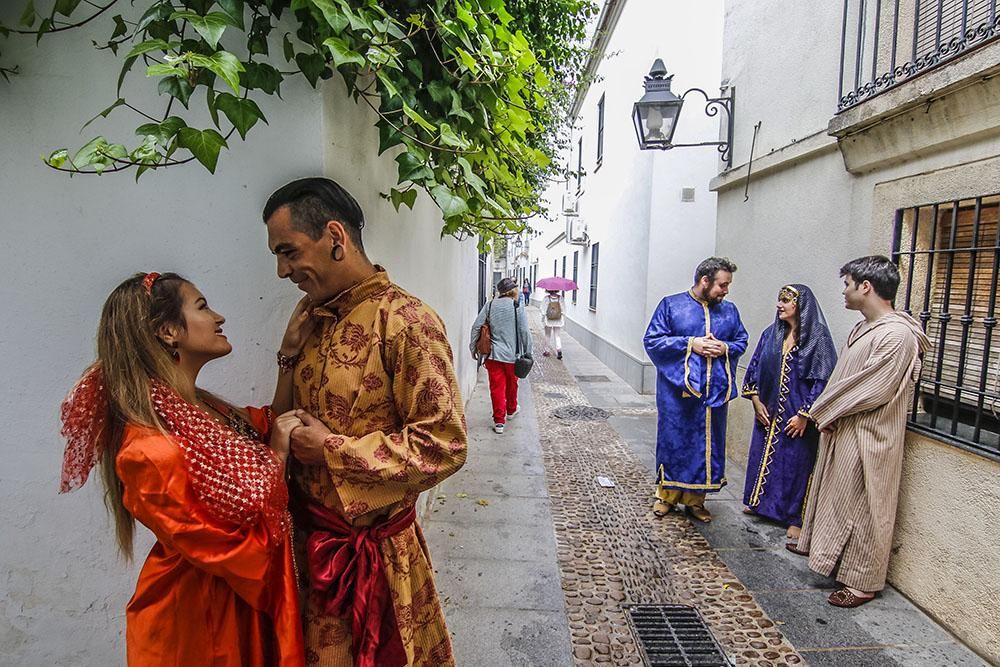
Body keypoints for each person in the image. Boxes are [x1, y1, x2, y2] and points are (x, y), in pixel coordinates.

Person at [261, 177, 468, 665]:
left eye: (288, 252)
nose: (281, 270)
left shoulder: (408, 322)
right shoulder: (311, 322)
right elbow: (282, 426)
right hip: (312, 559)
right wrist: (288, 356)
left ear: (335, 236)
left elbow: (445, 444)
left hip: (381, 564)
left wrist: (332, 450)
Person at [58, 272, 310, 665]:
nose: (218, 317)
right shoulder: (149, 451)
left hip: (230, 604)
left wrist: (289, 353)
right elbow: (229, 550)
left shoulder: (203, 411)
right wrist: (277, 457)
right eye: (202, 306)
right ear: (168, 331)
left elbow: (268, 425)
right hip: (201, 623)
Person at [791, 256, 929, 608]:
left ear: (866, 286)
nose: (844, 291)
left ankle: (864, 582)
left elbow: (873, 387)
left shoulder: (896, 335)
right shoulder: (865, 328)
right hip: (846, 428)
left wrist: (824, 410)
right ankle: (829, 557)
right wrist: (831, 413)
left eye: (848, 284)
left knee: (866, 507)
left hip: (870, 436)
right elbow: (845, 380)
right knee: (840, 501)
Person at [643, 257, 749, 523]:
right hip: (677, 395)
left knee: (706, 446)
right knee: (675, 441)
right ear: (705, 280)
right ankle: (666, 496)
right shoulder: (671, 305)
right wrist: (691, 344)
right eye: (722, 285)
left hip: (714, 394)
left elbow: (741, 340)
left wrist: (725, 348)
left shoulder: (729, 311)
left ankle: (695, 500)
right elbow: (653, 341)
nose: (725, 291)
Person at [741, 284, 837, 540]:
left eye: (785, 300)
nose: (779, 305)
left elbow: (823, 380)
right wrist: (756, 401)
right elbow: (753, 369)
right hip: (768, 412)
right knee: (762, 456)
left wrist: (805, 414)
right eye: (779, 300)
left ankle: (795, 517)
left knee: (796, 465)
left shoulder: (818, 339)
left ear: (800, 304)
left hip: (799, 416)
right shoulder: (771, 334)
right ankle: (759, 503)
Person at [470, 277, 533, 434]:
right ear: (514, 290)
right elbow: (524, 331)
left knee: (496, 387)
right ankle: (511, 410)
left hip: (493, 355)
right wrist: (528, 351)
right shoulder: (517, 304)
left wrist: (473, 348)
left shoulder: (490, 305)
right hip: (513, 355)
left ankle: (499, 422)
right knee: (512, 383)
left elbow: (476, 326)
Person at [542, 289, 564, 359]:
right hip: (558, 319)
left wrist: (543, 317)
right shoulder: (560, 298)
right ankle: (559, 349)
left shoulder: (546, 298)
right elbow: (563, 309)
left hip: (548, 320)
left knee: (547, 335)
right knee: (557, 335)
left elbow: (543, 310)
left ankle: (547, 351)